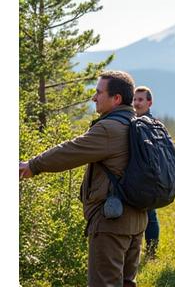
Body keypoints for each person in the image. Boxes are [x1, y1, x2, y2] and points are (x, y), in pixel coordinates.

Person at [19, 70, 148, 287]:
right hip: (137, 219)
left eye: (99, 92)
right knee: (127, 283)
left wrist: (33, 165)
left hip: (111, 222)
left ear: (116, 99)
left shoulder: (110, 128)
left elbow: (70, 151)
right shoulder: (141, 125)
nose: (94, 97)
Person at [133, 86, 160, 259]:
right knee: (146, 215)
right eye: (134, 99)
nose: (136, 103)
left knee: (150, 215)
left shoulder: (148, 124)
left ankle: (151, 253)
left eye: (140, 100)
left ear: (149, 103)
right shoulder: (135, 122)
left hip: (147, 178)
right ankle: (146, 252)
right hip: (140, 178)